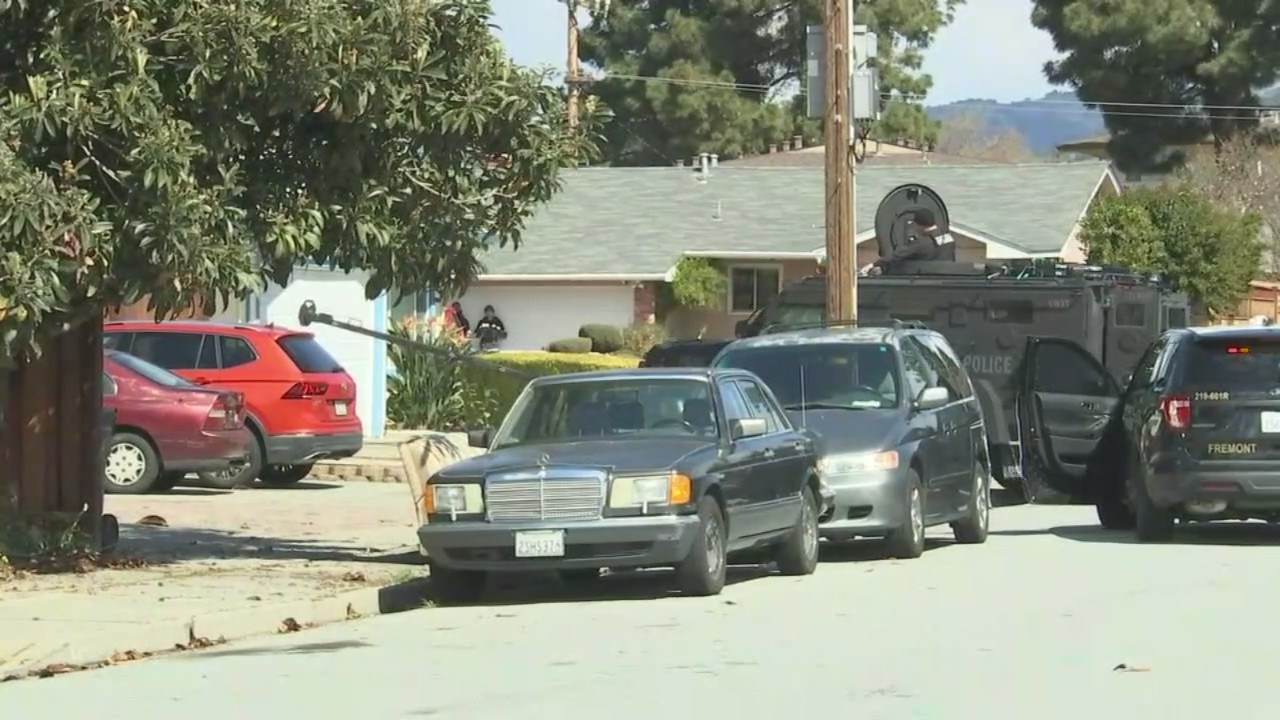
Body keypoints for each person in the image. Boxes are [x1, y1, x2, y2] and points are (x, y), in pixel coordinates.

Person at [862, 208, 957, 275]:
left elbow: (895, 256)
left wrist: (873, 265)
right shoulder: (949, 238)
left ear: (919, 225)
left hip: (924, 282)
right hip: (945, 278)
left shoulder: (921, 243)